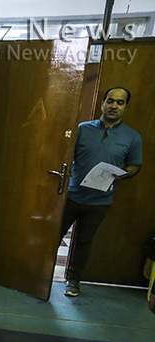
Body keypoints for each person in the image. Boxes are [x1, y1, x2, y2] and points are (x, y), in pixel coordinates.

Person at [59, 87, 143, 297]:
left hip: (100, 201)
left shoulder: (132, 137)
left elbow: (135, 165)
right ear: (103, 103)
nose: (114, 106)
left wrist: (126, 173)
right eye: (110, 101)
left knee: (84, 242)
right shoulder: (82, 129)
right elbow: (65, 157)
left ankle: (73, 280)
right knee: (53, 236)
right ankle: (37, 278)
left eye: (120, 102)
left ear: (126, 107)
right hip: (70, 195)